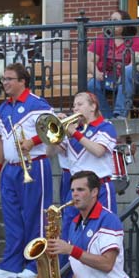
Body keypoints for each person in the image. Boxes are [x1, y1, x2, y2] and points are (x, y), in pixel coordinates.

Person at [0, 63, 54, 278]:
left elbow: (54, 129)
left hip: (34, 165)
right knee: (12, 218)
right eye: (4, 79)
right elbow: (0, 139)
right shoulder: (4, 108)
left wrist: (32, 141)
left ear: (22, 81)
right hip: (11, 169)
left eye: (9, 79)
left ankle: (35, 264)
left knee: (36, 216)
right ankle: (11, 264)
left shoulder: (37, 104)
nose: (5, 83)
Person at [53, 91, 119, 219]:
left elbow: (98, 151)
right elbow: (50, 152)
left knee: (102, 229)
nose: (75, 108)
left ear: (93, 107)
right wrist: (55, 135)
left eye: (80, 104)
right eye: (74, 106)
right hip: (76, 191)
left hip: (99, 188)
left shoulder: (105, 126)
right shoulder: (72, 129)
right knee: (70, 231)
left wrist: (75, 134)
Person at [84, 9, 139, 118]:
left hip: (127, 80)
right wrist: (96, 73)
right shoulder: (102, 39)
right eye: (110, 20)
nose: (112, 22)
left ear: (125, 23)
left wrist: (123, 75)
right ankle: (108, 117)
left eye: (115, 20)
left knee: (128, 74)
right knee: (91, 84)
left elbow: (135, 62)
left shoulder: (134, 40)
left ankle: (120, 115)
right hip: (106, 78)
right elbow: (90, 60)